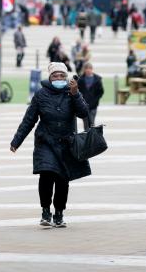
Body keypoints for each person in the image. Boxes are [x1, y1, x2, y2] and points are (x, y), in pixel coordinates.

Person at [10, 62, 91, 228]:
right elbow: (29, 120)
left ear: (67, 77)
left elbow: (84, 113)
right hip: (45, 142)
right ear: (50, 77)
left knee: (62, 180)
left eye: (62, 75)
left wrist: (75, 94)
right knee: (46, 176)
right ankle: (46, 211)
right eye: (55, 75)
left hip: (66, 144)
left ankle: (59, 213)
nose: (59, 78)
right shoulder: (41, 95)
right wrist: (16, 141)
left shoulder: (72, 92)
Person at [78, 62, 104, 129]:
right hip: (84, 105)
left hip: (93, 105)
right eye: (86, 68)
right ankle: (87, 137)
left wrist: (96, 100)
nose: (88, 70)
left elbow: (101, 92)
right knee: (86, 123)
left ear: (92, 69)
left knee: (92, 122)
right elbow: (78, 91)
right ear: (84, 69)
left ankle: (92, 137)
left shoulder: (97, 79)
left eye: (90, 68)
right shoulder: (80, 79)